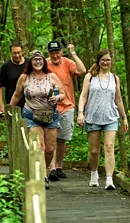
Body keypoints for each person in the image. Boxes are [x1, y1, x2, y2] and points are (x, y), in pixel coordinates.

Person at [10, 50, 65, 189]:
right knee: (39, 147)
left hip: (50, 116)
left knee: (50, 150)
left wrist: (57, 97)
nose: (38, 62)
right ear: (31, 62)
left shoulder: (51, 76)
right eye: (35, 60)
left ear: (43, 61)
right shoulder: (25, 77)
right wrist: (8, 109)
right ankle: (42, 176)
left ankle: (44, 170)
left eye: (40, 60)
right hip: (31, 115)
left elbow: (63, 94)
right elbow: (17, 94)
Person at [77, 49, 128, 190]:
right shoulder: (90, 77)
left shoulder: (114, 78)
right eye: (103, 60)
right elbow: (83, 96)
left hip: (111, 117)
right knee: (94, 151)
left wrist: (124, 118)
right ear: (98, 61)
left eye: (108, 60)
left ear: (111, 61)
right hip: (93, 117)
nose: (105, 62)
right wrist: (80, 113)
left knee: (109, 147)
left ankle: (109, 179)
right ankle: (94, 173)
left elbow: (118, 100)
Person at [46, 40, 86, 181]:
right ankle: (51, 170)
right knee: (51, 138)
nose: (55, 55)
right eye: (52, 53)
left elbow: (82, 70)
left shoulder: (67, 62)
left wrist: (73, 53)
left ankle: (59, 166)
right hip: (50, 106)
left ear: (61, 52)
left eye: (57, 52)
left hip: (67, 106)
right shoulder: (44, 64)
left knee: (62, 139)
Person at [0, 40, 28, 112]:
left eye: (19, 52)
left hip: (28, 105)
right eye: (14, 53)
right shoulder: (6, 66)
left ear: (22, 51)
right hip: (11, 105)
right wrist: (1, 105)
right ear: (10, 53)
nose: (17, 55)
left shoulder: (29, 64)